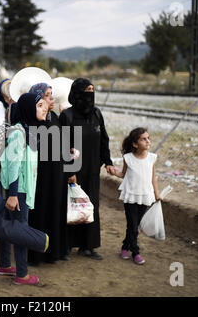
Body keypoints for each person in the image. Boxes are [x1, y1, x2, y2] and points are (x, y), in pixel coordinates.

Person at [59, 78, 115, 260]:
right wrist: (69, 171)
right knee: (70, 206)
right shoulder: (67, 116)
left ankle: (88, 246)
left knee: (91, 206)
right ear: (77, 93)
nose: (90, 94)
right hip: (74, 170)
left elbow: (104, 139)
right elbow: (63, 145)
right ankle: (66, 245)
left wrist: (108, 161)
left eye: (92, 90)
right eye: (86, 90)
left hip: (92, 170)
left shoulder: (96, 114)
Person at [0, 93, 48, 285]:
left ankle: (4, 265)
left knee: (7, 225)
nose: (45, 108)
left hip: (17, 188)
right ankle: (22, 274)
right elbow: (13, 165)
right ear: (28, 109)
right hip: (19, 190)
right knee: (20, 230)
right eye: (40, 105)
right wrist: (13, 194)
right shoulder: (19, 133)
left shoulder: (29, 130)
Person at [27, 83, 69, 265]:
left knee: (55, 209)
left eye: (52, 94)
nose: (51, 98)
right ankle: (36, 254)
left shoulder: (56, 117)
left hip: (57, 172)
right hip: (40, 173)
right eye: (47, 95)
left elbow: (64, 144)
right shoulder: (32, 119)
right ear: (38, 98)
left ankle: (53, 252)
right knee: (40, 210)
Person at [113, 127, 162, 265]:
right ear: (135, 144)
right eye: (143, 139)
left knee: (135, 225)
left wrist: (157, 193)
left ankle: (125, 246)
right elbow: (122, 174)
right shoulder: (128, 158)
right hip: (131, 196)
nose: (148, 141)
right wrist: (112, 171)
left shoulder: (151, 158)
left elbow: (153, 178)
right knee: (133, 225)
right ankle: (136, 252)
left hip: (145, 195)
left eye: (148, 138)